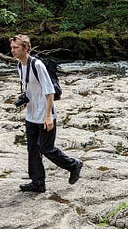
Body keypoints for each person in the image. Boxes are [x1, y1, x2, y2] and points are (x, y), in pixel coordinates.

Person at [10, 34, 82, 193]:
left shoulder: (37, 65)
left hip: (45, 115)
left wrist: (48, 116)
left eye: (16, 48)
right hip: (31, 115)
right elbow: (31, 89)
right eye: (12, 48)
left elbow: (49, 92)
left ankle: (73, 165)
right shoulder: (19, 66)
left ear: (26, 48)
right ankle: (37, 183)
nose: (12, 51)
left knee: (46, 148)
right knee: (33, 149)